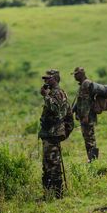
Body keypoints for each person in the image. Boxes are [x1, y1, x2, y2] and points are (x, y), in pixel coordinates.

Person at [39, 69, 71, 198]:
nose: (46, 81)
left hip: (53, 134)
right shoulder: (53, 93)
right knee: (47, 164)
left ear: (55, 79)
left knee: (53, 164)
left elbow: (57, 110)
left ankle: (58, 194)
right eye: (45, 79)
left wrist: (46, 96)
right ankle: (48, 194)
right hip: (48, 133)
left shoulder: (58, 93)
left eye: (48, 78)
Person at [72, 67, 99, 163]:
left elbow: (86, 101)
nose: (74, 77)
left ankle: (93, 160)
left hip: (88, 117)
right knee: (87, 137)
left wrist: (86, 116)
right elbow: (80, 101)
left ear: (81, 74)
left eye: (76, 74)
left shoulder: (86, 84)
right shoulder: (82, 85)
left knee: (90, 138)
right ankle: (91, 158)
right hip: (84, 116)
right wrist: (74, 111)